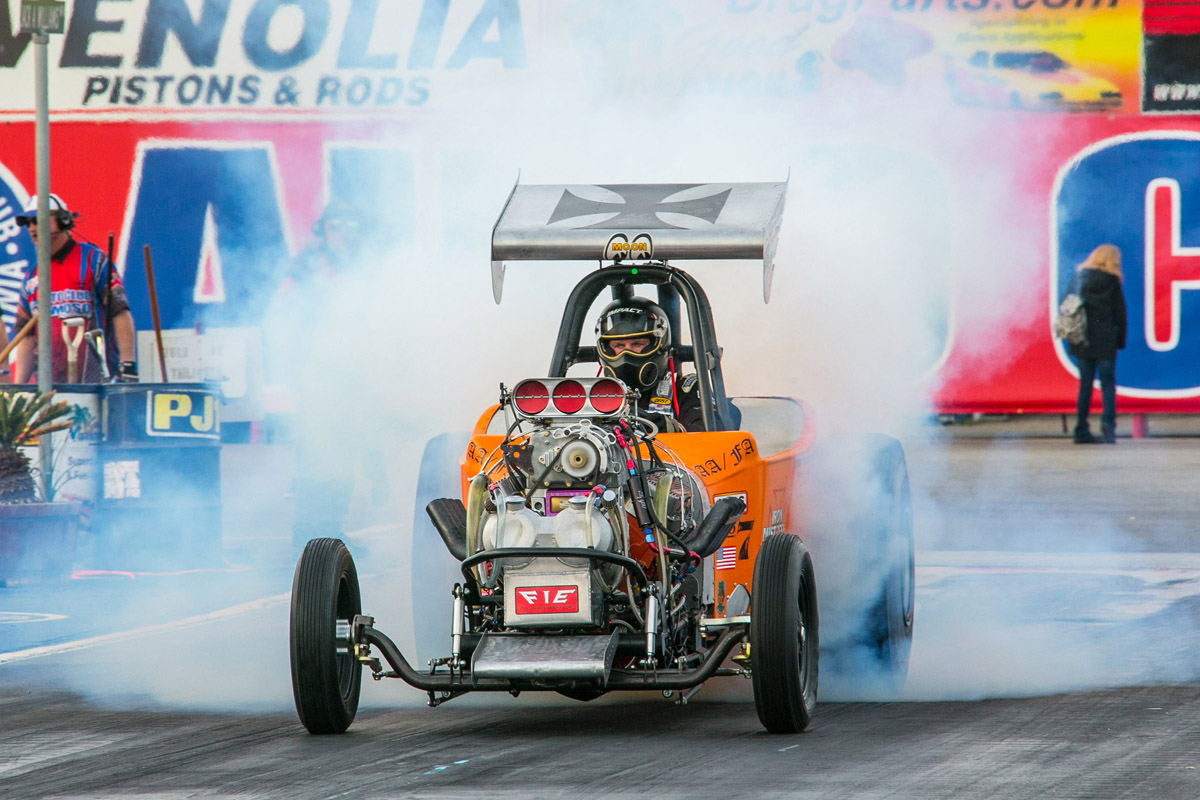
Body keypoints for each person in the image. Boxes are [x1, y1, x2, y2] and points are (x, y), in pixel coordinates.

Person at [266, 199, 387, 551]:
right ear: (324, 231)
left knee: (344, 457)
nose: (346, 234)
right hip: (317, 374)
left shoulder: (361, 269)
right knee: (318, 456)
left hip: (351, 375)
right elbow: (283, 313)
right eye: (338, 226)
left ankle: (331, 534)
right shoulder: (307, 266)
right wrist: (296, 364)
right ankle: (307, 537)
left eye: (353, 227)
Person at [12, 194, 136, 383]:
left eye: (37, 220)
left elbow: (119, 312)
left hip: (97, 384)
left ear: (63, 221)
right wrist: (18, 388)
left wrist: (127, 364)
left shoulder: (94, 260)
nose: (31, 228)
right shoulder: (32, 277)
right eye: (27, 223)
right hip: (49, 389)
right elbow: (26, 337)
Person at [596, 296, 704, 431]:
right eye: (619, 346)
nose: (626, 354)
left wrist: (663, 427)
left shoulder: (686, 389)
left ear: (659, 345)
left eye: (637, 344)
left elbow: (709, 435)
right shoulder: (594, 395)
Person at [1068, 243, 1126, 444]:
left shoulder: (1079, 277)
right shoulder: (1112, 281)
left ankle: (1080, 429)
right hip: (1106, 340)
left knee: (1085, 386)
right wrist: (1120, 340)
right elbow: (1120, 314)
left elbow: (1066, 305)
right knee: (1108, 385)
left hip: (1082, 339)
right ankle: (1108, 427)